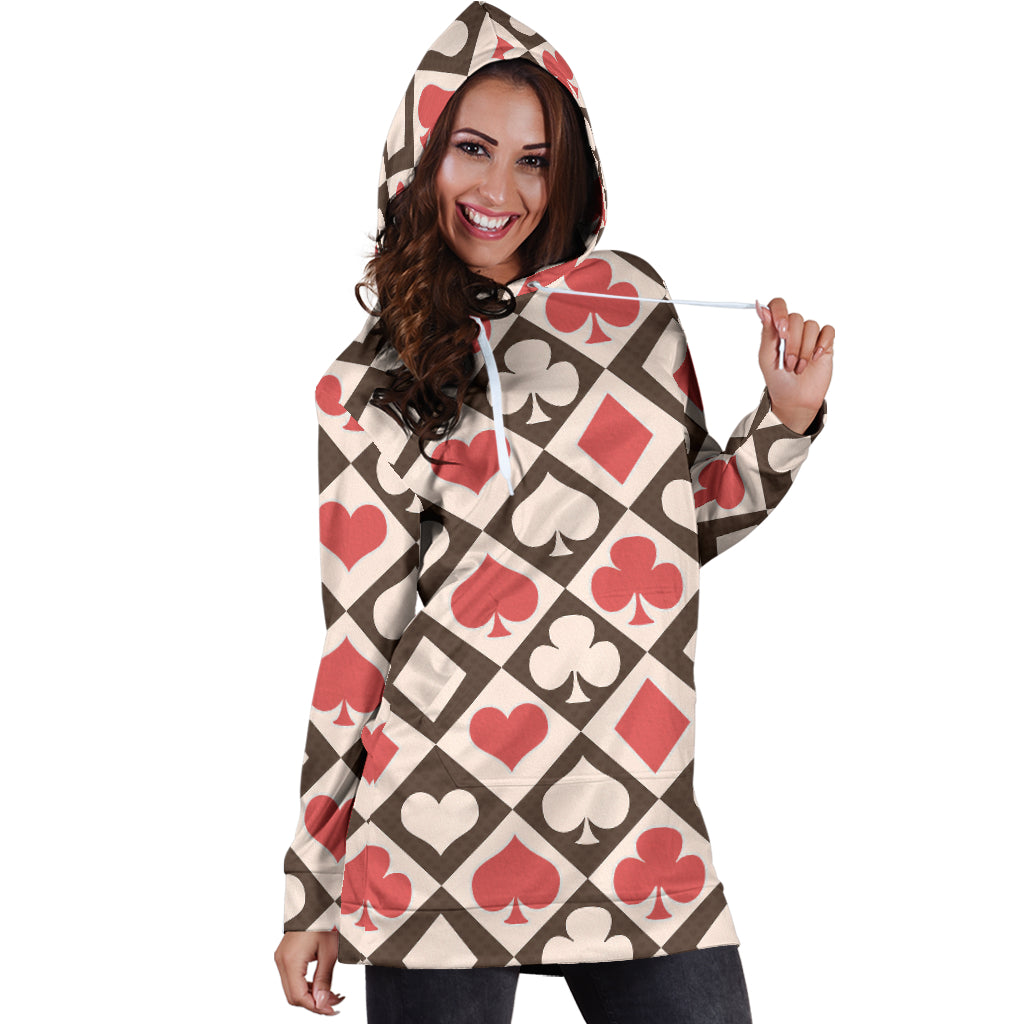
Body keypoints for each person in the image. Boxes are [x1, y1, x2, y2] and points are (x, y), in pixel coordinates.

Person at [274, 3, 834, 1021]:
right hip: (435, 833)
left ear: (568, 172)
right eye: (472, 149)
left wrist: (784, 419)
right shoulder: (365, 385)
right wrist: (312, 886)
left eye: (533, 160)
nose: (501, 191)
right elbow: (357, 642)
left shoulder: (628, 306)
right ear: (418, 156)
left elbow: (682, 530)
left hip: (635, 820)